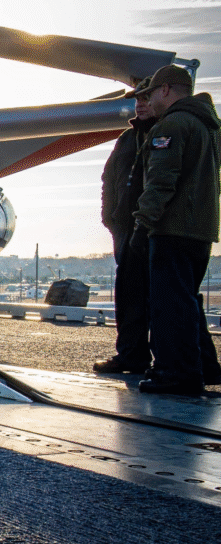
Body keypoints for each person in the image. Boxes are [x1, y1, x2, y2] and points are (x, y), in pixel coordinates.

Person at [131, 65, 221, 395]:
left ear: (166, 90)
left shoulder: (171, 125)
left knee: (169, 304)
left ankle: (176, 374)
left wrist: (143, 224)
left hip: (172, 228)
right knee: (187, 301)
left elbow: (161, 181)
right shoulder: (209, 126)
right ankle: (204, 367)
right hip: (202, 228)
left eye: (151, 93)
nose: (149, 101)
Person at [93, 77, 154, 375]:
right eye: (137, 99)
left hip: (154, 229)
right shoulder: (127, 139)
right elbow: (108, 177)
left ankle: (178, 363)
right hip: (126, 229)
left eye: (146, 99)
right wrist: (111, 218)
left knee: (163, 297)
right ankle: (132, 355)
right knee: (128, 295)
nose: (140, 105)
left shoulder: (166, 133)